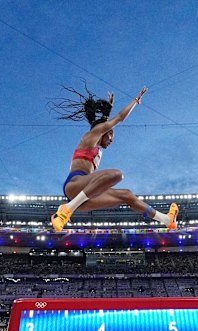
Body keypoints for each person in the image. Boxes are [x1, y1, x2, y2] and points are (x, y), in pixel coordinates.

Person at [50, 85, 178, 232]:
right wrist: (135, 101)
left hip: (83, 198)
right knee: (116, 175)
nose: (111, 140)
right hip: (74, 184)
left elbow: (106, 122)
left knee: (127, 195)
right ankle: (66, 210)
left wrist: (106, 112)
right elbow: (119, 118)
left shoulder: (98, 148)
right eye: (111, 135)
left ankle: (167, 220)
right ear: (103, 131)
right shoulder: (91, 136)